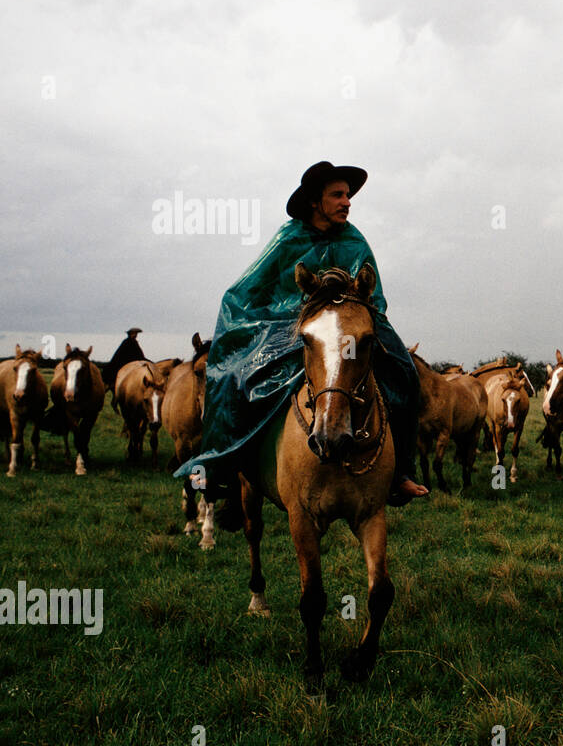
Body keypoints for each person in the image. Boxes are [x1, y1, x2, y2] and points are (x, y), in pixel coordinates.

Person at [176, 161, 428, 504]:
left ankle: (400, 473)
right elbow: (243, 294)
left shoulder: (355, 241)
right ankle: (221, 464)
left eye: (348, 195)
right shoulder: (288, 239)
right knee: (233, 376)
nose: (347, 202)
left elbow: (376, 296)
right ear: (314, 201)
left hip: (348, 333)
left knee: (404, 372)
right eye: (337, 195)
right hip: (288, 330)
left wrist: (359, 318)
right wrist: (279, 322)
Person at [103, 328, 146, 397]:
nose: (136, 335)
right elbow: (138, 354)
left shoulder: (129, 341)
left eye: (136, 334)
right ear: (131, 334)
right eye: (135, 333)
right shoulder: (130, 342)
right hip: (124, 363)